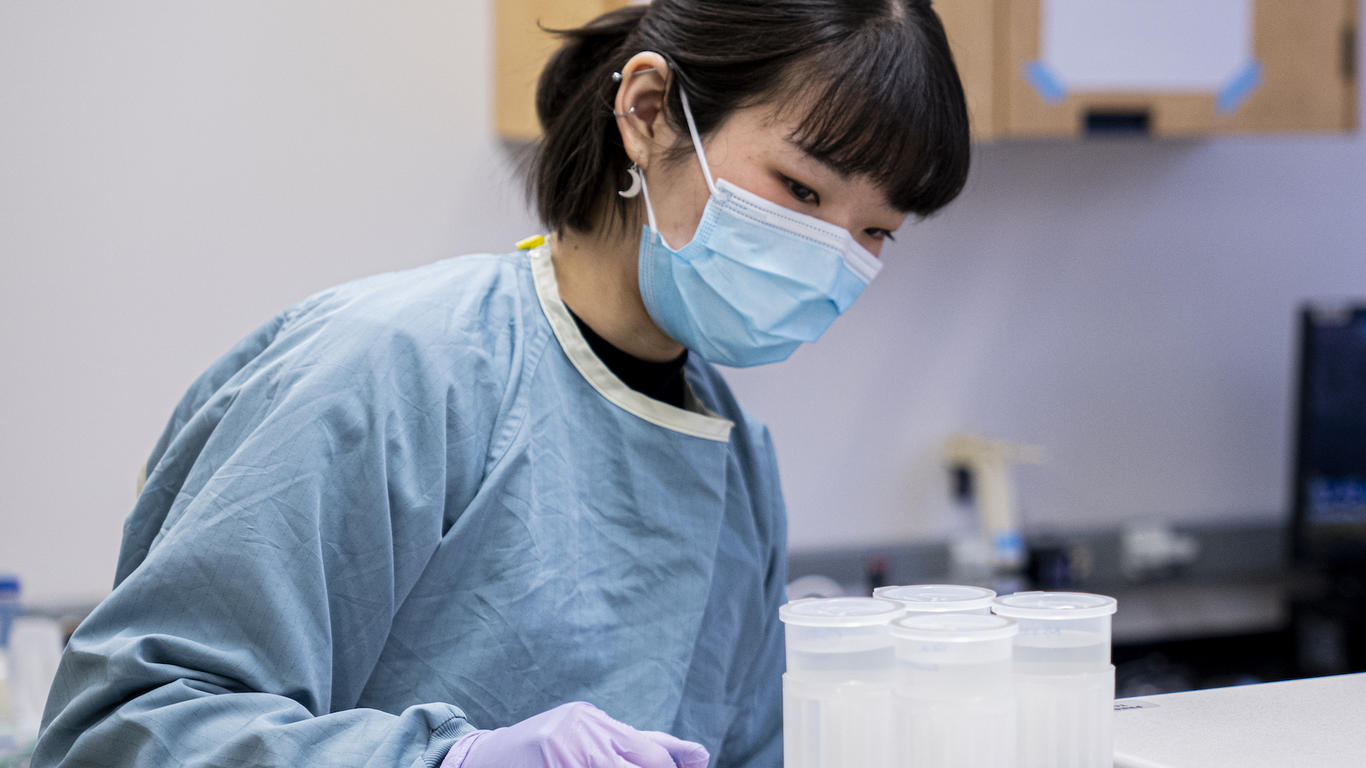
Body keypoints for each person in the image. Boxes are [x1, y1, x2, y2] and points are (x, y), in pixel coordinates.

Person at [31, 1, 969, 766]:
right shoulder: (395, 367)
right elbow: (118, 734)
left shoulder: (734, 463)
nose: (829, 257)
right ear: (648, 114)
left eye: (874, 232)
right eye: (802, 192)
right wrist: (451, 762)